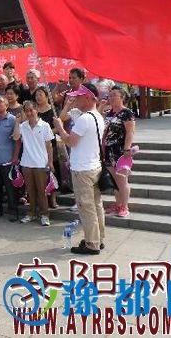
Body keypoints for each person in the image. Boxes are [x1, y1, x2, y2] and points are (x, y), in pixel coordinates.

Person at [54, 83, 105, 255]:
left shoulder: (84, 119)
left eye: (79, 96)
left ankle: (92, 243)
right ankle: (98, 238)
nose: (76, 99)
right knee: (96, 205)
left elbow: (70, 141)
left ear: (89, 98)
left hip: (83, 170)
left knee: (86, 208)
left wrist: (59, 128)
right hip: (93, 166)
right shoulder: (97, 116)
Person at [17, 101, 54, 226]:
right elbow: (16, 137)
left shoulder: (45, 125)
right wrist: (17, 122)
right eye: (26, 111)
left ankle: (44, 215)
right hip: (26, 163)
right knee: (30, 191)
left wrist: (50, 162)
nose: (29, 113)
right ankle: (31, 213)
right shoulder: (23, 126)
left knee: (42, 191)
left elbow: (49, 145)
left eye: (31, 110)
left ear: (36, 110)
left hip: (41, 164)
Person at [101, 86, 136, 217]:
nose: (111, 97)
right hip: (107, 151)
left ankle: (124, 206)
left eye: (114, 95)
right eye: (110, 95)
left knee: (121, 180)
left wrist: (127, 148)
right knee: (114, 181)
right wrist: (101, 106)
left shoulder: (127, 113)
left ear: (122, 97)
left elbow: (130, 132)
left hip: (119, 151)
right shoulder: (109, 113)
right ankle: (118, 203)